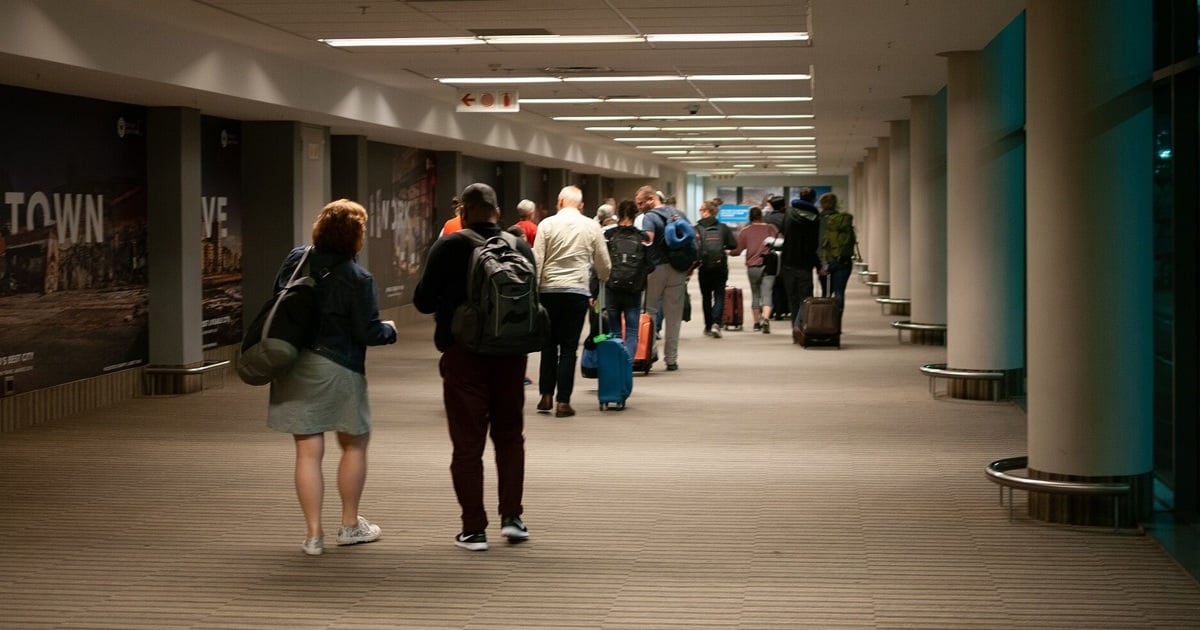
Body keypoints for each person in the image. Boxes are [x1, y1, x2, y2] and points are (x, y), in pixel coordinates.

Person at [266, 199, 397, 557]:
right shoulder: (357, 277)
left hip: (294, 363)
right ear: (355, 236)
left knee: (307, 451)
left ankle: (312, 535)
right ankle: (350, 525)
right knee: (354, 444)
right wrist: (390, 330)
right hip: (339, 368)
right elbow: (368, 331)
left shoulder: (297, 259)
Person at [413, 183, 533, 551]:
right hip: (511, 354)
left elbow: (421, 301)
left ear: (463, 210)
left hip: (464, 354)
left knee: (468, 445)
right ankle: (512, 518)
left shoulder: (450, 245)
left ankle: (473, 529)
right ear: (497, 211)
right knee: (510, 437)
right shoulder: (518, 245)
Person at [533, 185, 612, 418]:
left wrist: (535, 292)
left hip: (548, 291)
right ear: (581, 205)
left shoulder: (546, 225)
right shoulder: (591, 225)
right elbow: (603, 261)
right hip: (577, 291)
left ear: (559, 202)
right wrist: (603, 277)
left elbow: (537, 259)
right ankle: (563, 402)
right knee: (568, 348)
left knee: (548, 346)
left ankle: (546, 394)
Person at [635, 185, 689, 371]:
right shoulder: (678, 213)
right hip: (678, 268)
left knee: (650, 311)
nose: (640, 207)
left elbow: (647, 239)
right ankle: (671, 359)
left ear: (651, 199)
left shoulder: (650, 217)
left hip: (655, 269)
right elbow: (693, 237)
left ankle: (649, 352)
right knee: (674, 315)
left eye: (641, 203)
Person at [604, 199, 652, 360]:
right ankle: (627, 364)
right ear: (635, 214)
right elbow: (650, 264)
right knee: (632, 330)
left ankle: (615, 365)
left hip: (612, 287)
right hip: (634, 289)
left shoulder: (609, 236)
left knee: (614, 331)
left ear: (617, 214)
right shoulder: (643, 237)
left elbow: (602, 261)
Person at [730, 205, 780, 333]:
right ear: (761, 216)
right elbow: (781, 242)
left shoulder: (745, 231)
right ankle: (766, 318)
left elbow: (737, 250)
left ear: (750, 217)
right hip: (769, 264)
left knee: (755, 294)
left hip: (752, 266)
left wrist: (728, 252)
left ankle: (756, 323)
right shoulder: (771, 228)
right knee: (767, 293)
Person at [780, 188, 821, 335]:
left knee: (792, 298)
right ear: (813, 199)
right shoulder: (815, 218)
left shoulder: (789, 213)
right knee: (805, 298)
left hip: (788, 261)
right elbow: (814, 245)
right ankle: (801, 327)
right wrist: (818, 264)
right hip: (805, 263)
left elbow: (783, 233)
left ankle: (795, 328)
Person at [694, 199, 736, 338]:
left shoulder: (697, 228)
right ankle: (716, 323)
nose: (700, 212)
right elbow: (733, 245)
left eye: (701, 209)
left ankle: (707, 325)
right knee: (719, 295)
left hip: (704, 267)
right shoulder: (723, 227)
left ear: (707, 211)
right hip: (720, 266)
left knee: (706, 297)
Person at [816, 192, 856, 310]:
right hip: (843, 259)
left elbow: (818, 242)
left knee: (825, 292)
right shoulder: (842, 220)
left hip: (825, 260)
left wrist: (819, 263)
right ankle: (836, 322)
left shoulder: (818, 220)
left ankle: (825, 321)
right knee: (839, 292)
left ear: (821, 205)